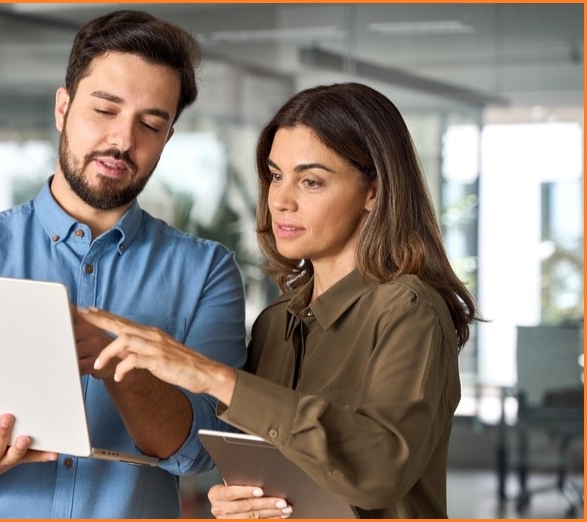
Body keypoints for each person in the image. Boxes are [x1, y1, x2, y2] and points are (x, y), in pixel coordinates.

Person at [0, 9, 249, 519]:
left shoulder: (207, 272)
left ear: (167, 138)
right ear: (63, 107)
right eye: (105, 110)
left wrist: (115, 357)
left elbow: (199, 450)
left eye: (150, 123)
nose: (123, 140)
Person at [81, 82, 482, 518]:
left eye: (311, 181)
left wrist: (212, 376)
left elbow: (379, 470)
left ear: (374, 192)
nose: (282, 201)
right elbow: (272, 475)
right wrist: (235, 499)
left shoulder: (409, 310)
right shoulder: (275, 324)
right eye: (275, 176)